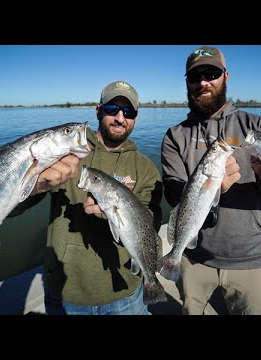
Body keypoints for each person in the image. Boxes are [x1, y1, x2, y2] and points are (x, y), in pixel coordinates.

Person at [10, 80, 163, 315]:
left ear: (135, 117)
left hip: (126, 295)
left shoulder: (145, 168)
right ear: (98, 110)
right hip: (66, 294)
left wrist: (116, 217)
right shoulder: (64, 153)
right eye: (112, 109)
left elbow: (149, 226)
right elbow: (13, 210)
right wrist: (37, 186)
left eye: (128, 112)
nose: (120, 118)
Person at [161, 46, 261, 315]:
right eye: (195, 77)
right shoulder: (175, 136)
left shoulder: (258, 129)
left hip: (250, 259)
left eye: (211, 74)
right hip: (193, 259)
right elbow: (173, 194)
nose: (203, 83)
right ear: (187, 82)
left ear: (226, 77)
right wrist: (206, 190)